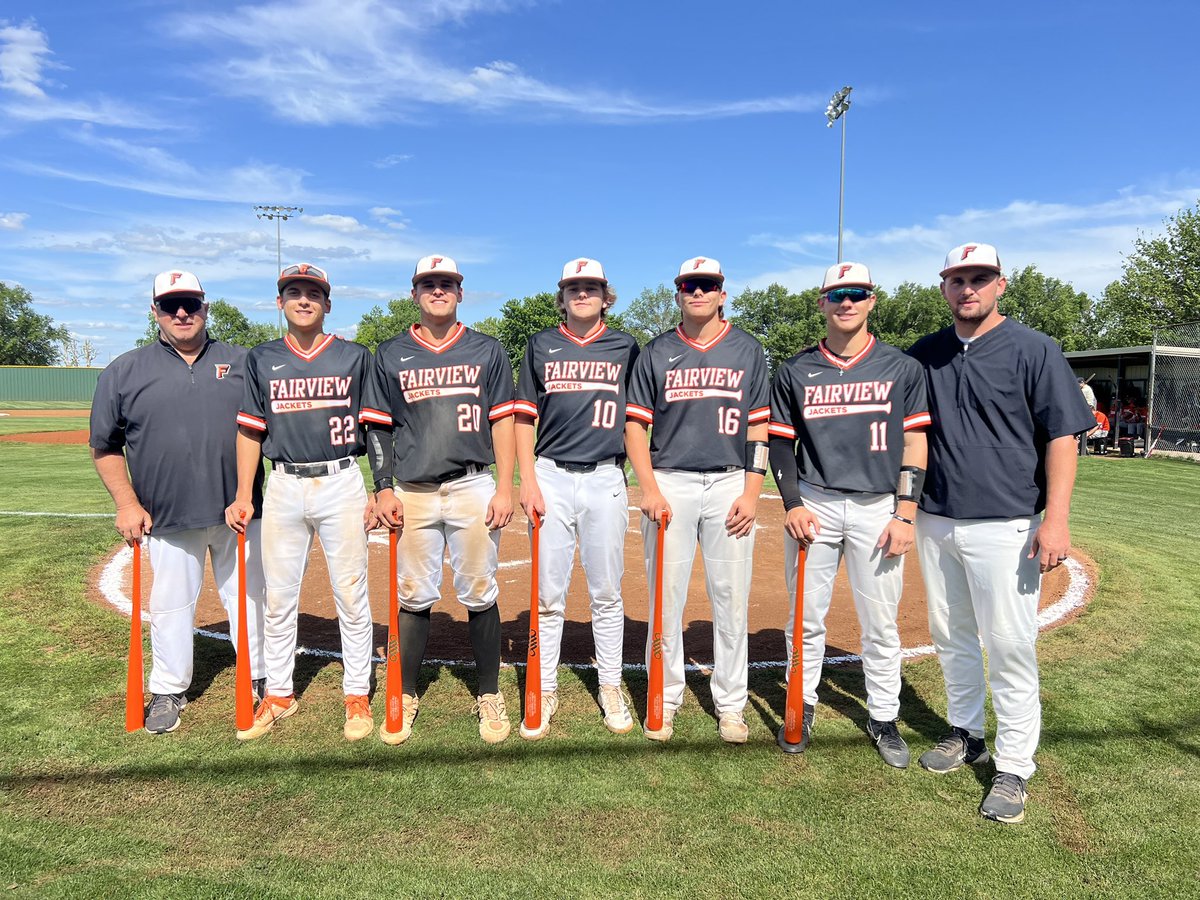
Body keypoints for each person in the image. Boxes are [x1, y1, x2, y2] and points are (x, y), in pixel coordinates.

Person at [908, 242, 1094, 824]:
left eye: (979, 278)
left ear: (1000, 285)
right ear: (943, 287)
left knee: (1010, 646)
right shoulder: (925, 354)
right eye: (957, 279)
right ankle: (966, 732)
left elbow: (1063, 436)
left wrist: (1055, 520)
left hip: (1008, 522)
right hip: (936, 517)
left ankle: (1014, 765)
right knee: (952, 634)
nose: (968, 289)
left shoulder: (1035, 349)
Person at [767, 261, 930, 767]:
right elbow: (779, 444)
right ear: (821, 303)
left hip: (877, 506)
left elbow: (915, 440)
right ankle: (803, 702)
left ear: (872, 300)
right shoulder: (794, 370)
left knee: (880, 622)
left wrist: (906, 512)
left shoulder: (901, 367)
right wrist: (792, 503)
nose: (846, 302)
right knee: (805, 617)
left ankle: (883, 716)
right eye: (836, 294)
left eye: (856, 293)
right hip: (814, 501)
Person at [90, 270, 265, 734]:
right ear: (155, 312)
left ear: (206, 305)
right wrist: (126, 504)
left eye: (190, 303)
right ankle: (168, 688)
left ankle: (263, 677)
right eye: (170, 306)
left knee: (250, 600)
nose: (181, 313)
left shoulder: (245, 361)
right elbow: (104, 446)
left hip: (241, 512)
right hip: (167, 514)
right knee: (170, 605)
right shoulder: (124, 371)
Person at [362, 255, 517, 745]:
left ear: (460, 292)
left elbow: (504, 421)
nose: (437, 290)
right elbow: (378, 427)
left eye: (446, 283)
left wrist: (506, 485)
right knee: (413, 594)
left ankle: (489, 693)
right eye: (428, 284)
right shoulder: (389, 353)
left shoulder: (487, 350)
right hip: (413, 489)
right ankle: (405, 693)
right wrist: (383, 486)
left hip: (472, 485)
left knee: (479, 589)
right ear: (414, 293)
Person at [225, 263, 376, 742]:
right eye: (294, 292)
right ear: (280, 302)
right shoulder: (262, 358)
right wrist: (243, 494)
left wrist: (381, 485)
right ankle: (279, 693)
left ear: (328, 303)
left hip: (341, 480)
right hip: (284, 483)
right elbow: (251, 428)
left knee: (351, 594)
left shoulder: (354, 356)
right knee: (278, 597)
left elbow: (374, 428)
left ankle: (357, 693)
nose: (304, 300)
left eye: (313, 293)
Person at [625, 256, 770, 743]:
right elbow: (636, 426)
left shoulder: (747, 350)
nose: (699, 292)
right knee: (665, 598)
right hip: (671, 481)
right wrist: (648, 487)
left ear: (723, 293)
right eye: (690, 285)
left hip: (730, 481)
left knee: (730, 599)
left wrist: (753, 490)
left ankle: (731, 704)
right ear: (679, 293)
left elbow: (758, 426)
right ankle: (663, 697)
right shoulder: (656, 352)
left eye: (708, 285)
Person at [514, 258, 640, 739]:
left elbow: (635, 419)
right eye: (573, 287)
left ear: (606, 294)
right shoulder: (541, 344)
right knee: (548, 596)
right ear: (561, 295)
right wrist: (528, 480)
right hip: (551, 476)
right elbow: (524, 417)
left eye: (591, 287)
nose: (582, 294)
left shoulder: (625, 345)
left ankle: (610, 685)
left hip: (606, 476)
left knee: (607, 592)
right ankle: (543, 688)